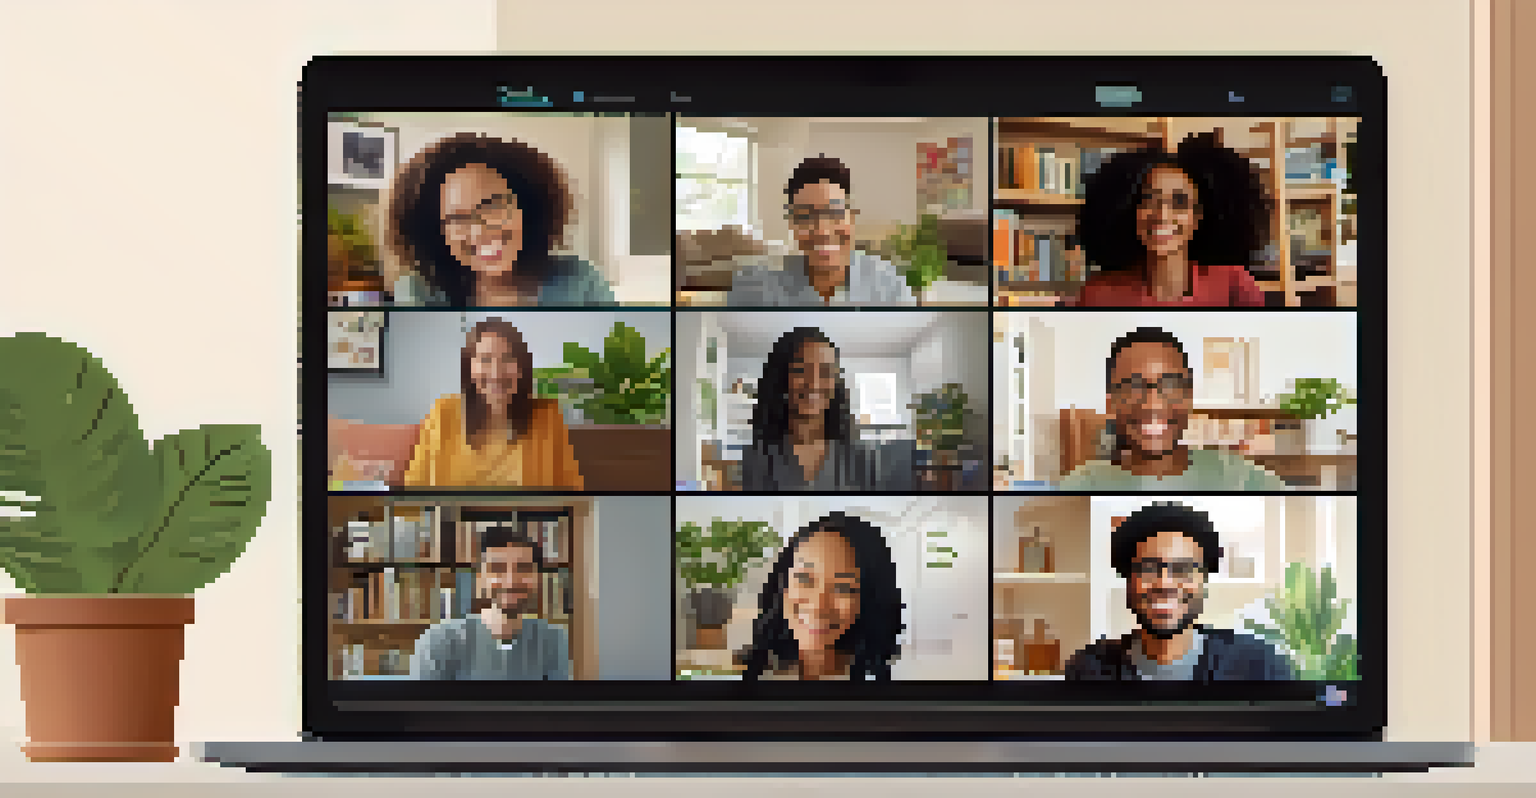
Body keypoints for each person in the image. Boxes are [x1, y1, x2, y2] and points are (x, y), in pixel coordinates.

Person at [1064, 502, 1294, 681]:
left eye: (1183, 569)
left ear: (1203, 580)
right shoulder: (1089, 669)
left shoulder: (1261, 665)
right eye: (1148, 569)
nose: (1165, 583)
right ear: (1128, 580)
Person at [387, 132, 616, 307]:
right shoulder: (419, 291)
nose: (479, 231)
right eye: (456, 218)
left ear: (527, 207)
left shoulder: (582, 281)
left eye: (493, 207)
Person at [1058, 327, 1288, 491]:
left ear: (1189, 398)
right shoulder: (1081, 485)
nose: (1152, 403)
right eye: (1133, 386)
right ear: (1111, 405)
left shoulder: (1244, 480)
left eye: (1170, 385)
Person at [1073, 132, 1271, 307]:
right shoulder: (1097, 295)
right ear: (1130, 210)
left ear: (1198, 217)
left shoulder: (1235, 286)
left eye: (1180, 202)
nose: (1162, 215)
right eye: (1148, 199)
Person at [403, 318, 585, 489]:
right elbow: (413, 490)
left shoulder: (548, 415)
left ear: (522, 367)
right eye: (485, 360)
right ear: (470, 368)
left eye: (507, 359)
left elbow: (573, 491)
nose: (496, 373)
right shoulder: (443, 412)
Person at [740, 328, 915, 491]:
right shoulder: (756, 459)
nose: (814, 384)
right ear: (782, 378)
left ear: (835, 382)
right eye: (801, 370)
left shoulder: (863, 458)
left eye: (825, 372)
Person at [728, 156, 917, 306]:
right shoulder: (753, 287)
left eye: (834, 213)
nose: (822, 231)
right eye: (805, 216)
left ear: (852, 218)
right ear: (792, 224)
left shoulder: (891, 285)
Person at [741, 512, 904, 681]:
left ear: (866, 599)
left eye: (843, 588)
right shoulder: (745, 670)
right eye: (804, 578)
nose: (819, 606)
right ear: (783, 583)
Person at [411, 526, 571, 680]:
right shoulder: (437, 643)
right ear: (481, 579)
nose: (511, 581)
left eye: (523, 568)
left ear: (538, 577)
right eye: (497, 568)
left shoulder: (554, 641)